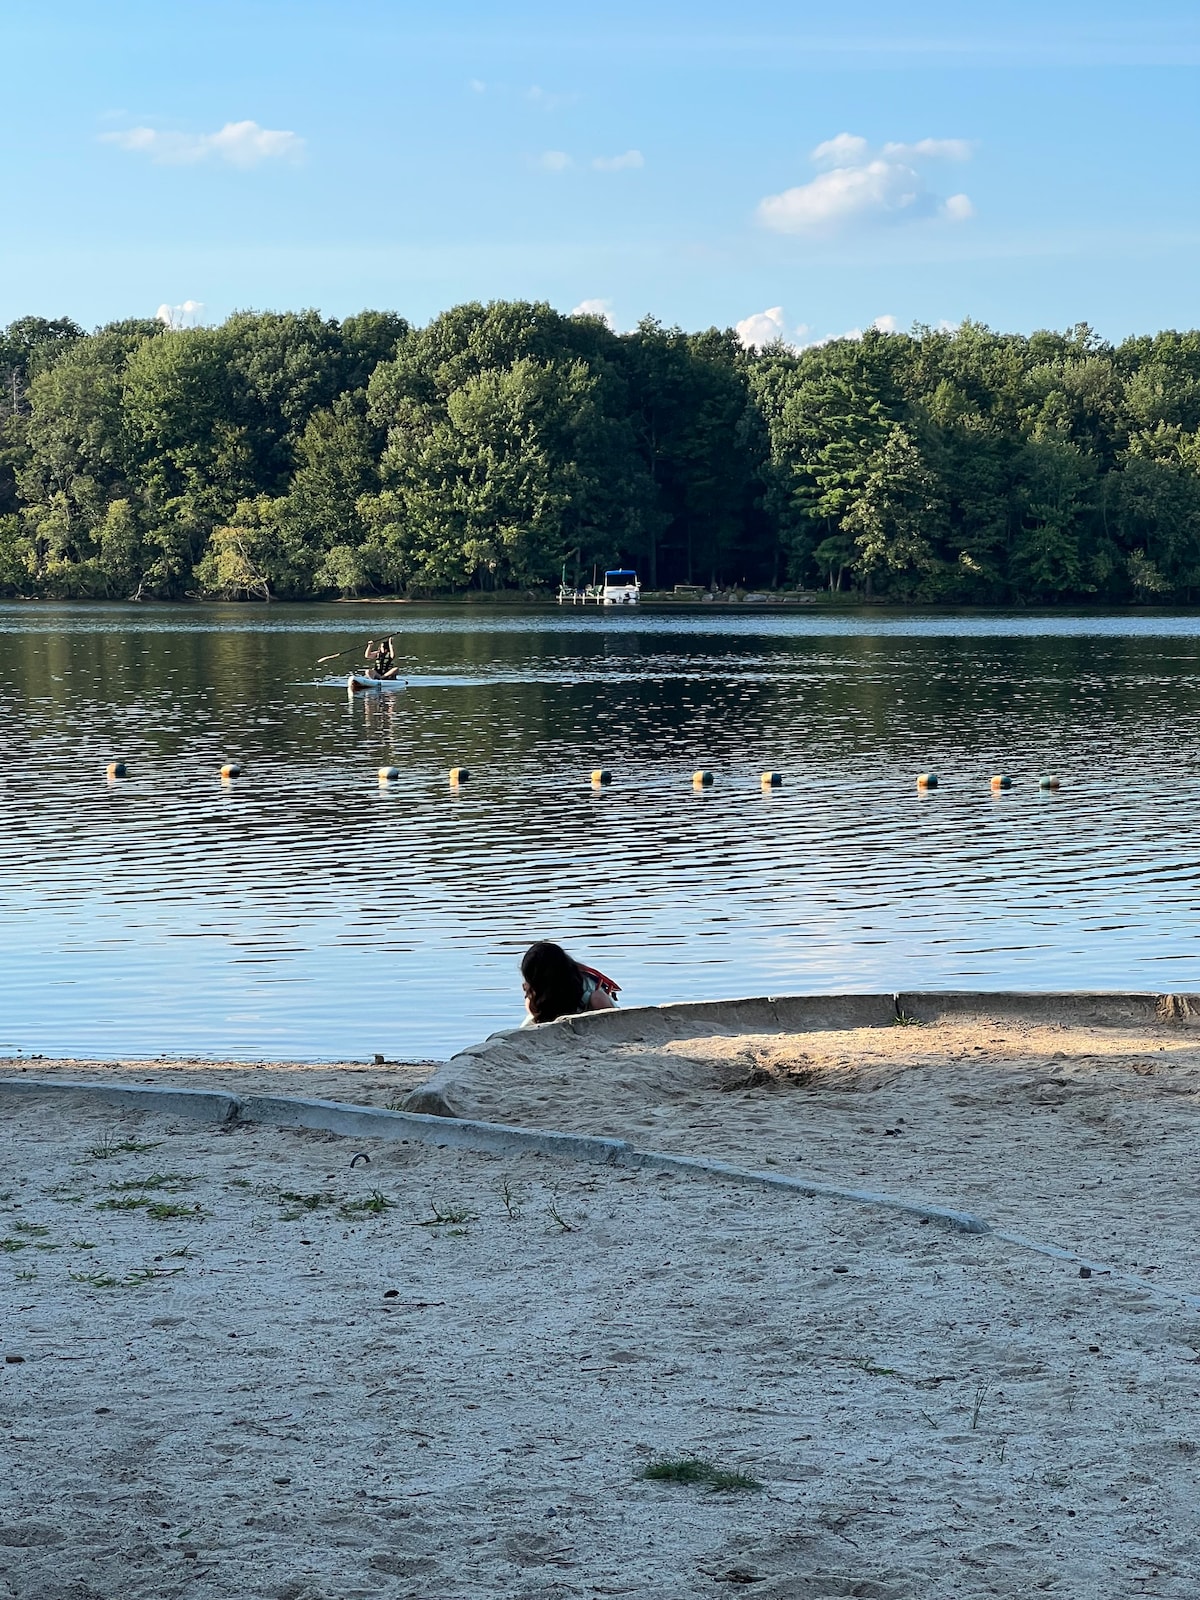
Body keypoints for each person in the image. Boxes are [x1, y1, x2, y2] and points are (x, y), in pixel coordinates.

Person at [520, 941, 619, 1025]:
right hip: (555, 1013)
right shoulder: (537, 993)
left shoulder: (582, 986)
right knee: (530, 1002)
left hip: (589, 1016)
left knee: (598, 998)